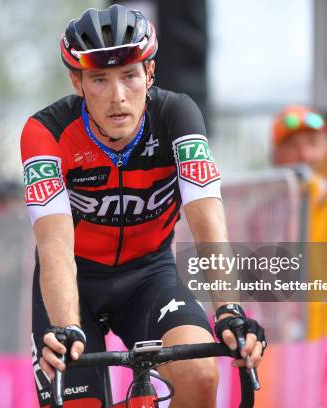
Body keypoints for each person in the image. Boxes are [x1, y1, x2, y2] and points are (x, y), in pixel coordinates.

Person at [20, 5, 266, 406]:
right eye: (100, 79)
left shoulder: (177, 115)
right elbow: (54, 246)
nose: (118, 97)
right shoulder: (44, 132)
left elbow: (208, 220)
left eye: (130, 76)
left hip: (148, 276)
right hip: (75, 280)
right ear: (77, 81)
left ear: (150, 74)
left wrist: (229, 310)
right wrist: (66, 325)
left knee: (201, 374)